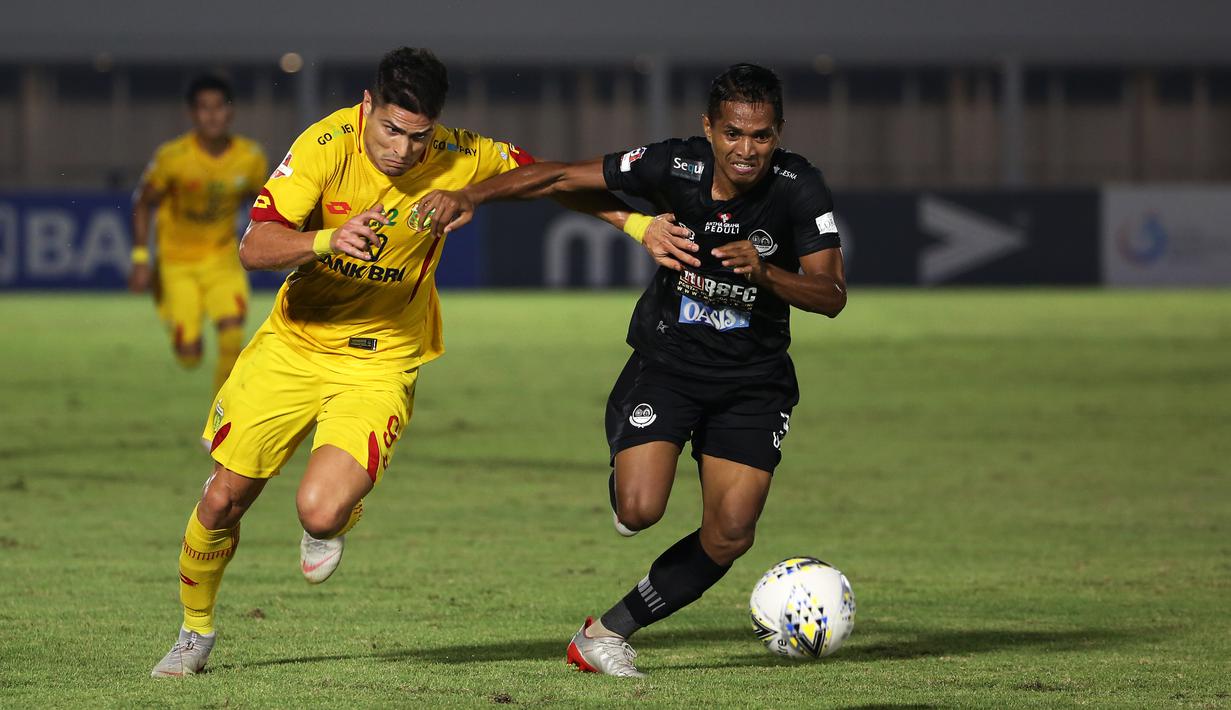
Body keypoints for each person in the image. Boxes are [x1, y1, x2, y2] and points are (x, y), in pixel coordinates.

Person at [149, 47, 667, 678]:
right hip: (293, 344)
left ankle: (340, 508)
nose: (401, 149)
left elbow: (551, 179)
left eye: (417, 137)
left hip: (380, 358)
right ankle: (194, 632)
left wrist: (637, 226)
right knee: (223, 502)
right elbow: (254, 245)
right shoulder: (324, 145)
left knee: (319, 510)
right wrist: (323, 239)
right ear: (368, 106)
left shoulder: (459, 154)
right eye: (390, 129)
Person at [416, 63, 847, 677]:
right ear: (709, 127)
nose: (746, 150)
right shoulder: (676, 166)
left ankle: (604, 635)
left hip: (753, 383)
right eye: (732, 133)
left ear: (779, 133)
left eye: (761, 136)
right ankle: (628, 461)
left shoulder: (799, 186)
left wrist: (768, 274)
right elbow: (561, 175)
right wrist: (469, 196)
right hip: (667, 365)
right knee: (640, 510)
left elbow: (831, 294)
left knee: (729, 535)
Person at [130, 75, 267, 398]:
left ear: (230, 111)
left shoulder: (250, 158)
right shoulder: (173, 158)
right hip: (177, 263)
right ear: (192, 114)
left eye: (219, 107)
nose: (212, 115)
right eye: (204, 108)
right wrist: (140, 259)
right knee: (190, 356)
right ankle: (177, 320)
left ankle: (222, 422)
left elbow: (262, 204)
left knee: (233, 337)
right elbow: (144, 202)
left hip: (223, 260)